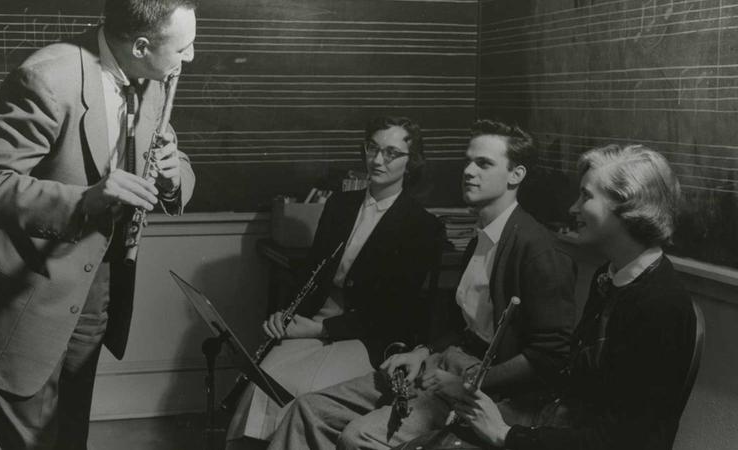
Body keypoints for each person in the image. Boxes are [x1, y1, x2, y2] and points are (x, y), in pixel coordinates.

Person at [0, 0, 197, 448]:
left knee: (68, 435)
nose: (189, 57)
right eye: (183, 47)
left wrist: (176, 176)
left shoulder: (155, 77)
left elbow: (169, 150)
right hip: (23, 302)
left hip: (93, 295)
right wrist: (86, 200)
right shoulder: (47, 77)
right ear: (140, 46)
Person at [266, 119, 577, 450]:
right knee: (308, 409)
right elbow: (464, 327)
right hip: (445, 363)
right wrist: (422, 352)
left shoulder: (539, 249)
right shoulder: (482, 240)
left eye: (484, 163)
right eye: (468, 161)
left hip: (489, 388)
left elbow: (549, 356)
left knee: (358, 436)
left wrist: (467, 381)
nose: (469, 171)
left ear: (517, 175)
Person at [443, 144, 696, 450]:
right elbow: (577, 388)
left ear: (628, 205)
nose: (573, 209)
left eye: (586, 196)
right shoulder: (611, 275)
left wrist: (505, 433)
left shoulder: (661, 304)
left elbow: (625, 440)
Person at [225, 116, 445, 450]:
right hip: (318, 320)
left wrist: (317, 330)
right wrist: (286, 315)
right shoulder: (340, 205)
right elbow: (313, 274)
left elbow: (391, 315)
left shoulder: (421, 225)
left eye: (391, 153)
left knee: (300, 393)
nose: (378, 159)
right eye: (372, 148)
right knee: (262, 382)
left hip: (366, 336)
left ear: (411, 164)